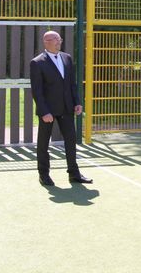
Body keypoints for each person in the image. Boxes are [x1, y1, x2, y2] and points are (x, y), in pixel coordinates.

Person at [30, 30, 92, 186]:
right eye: (55, 39)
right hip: (48, 111)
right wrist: (44, 112)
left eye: (60, 39)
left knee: (71, 141)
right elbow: (37, 91)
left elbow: (72, 83)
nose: (59, 42)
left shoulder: (67, 58)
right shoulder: (37, 62)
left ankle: (74, 174)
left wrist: (77, 102)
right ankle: (43, 175)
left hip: (67, 108)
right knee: (43, 143)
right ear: (46, 42)